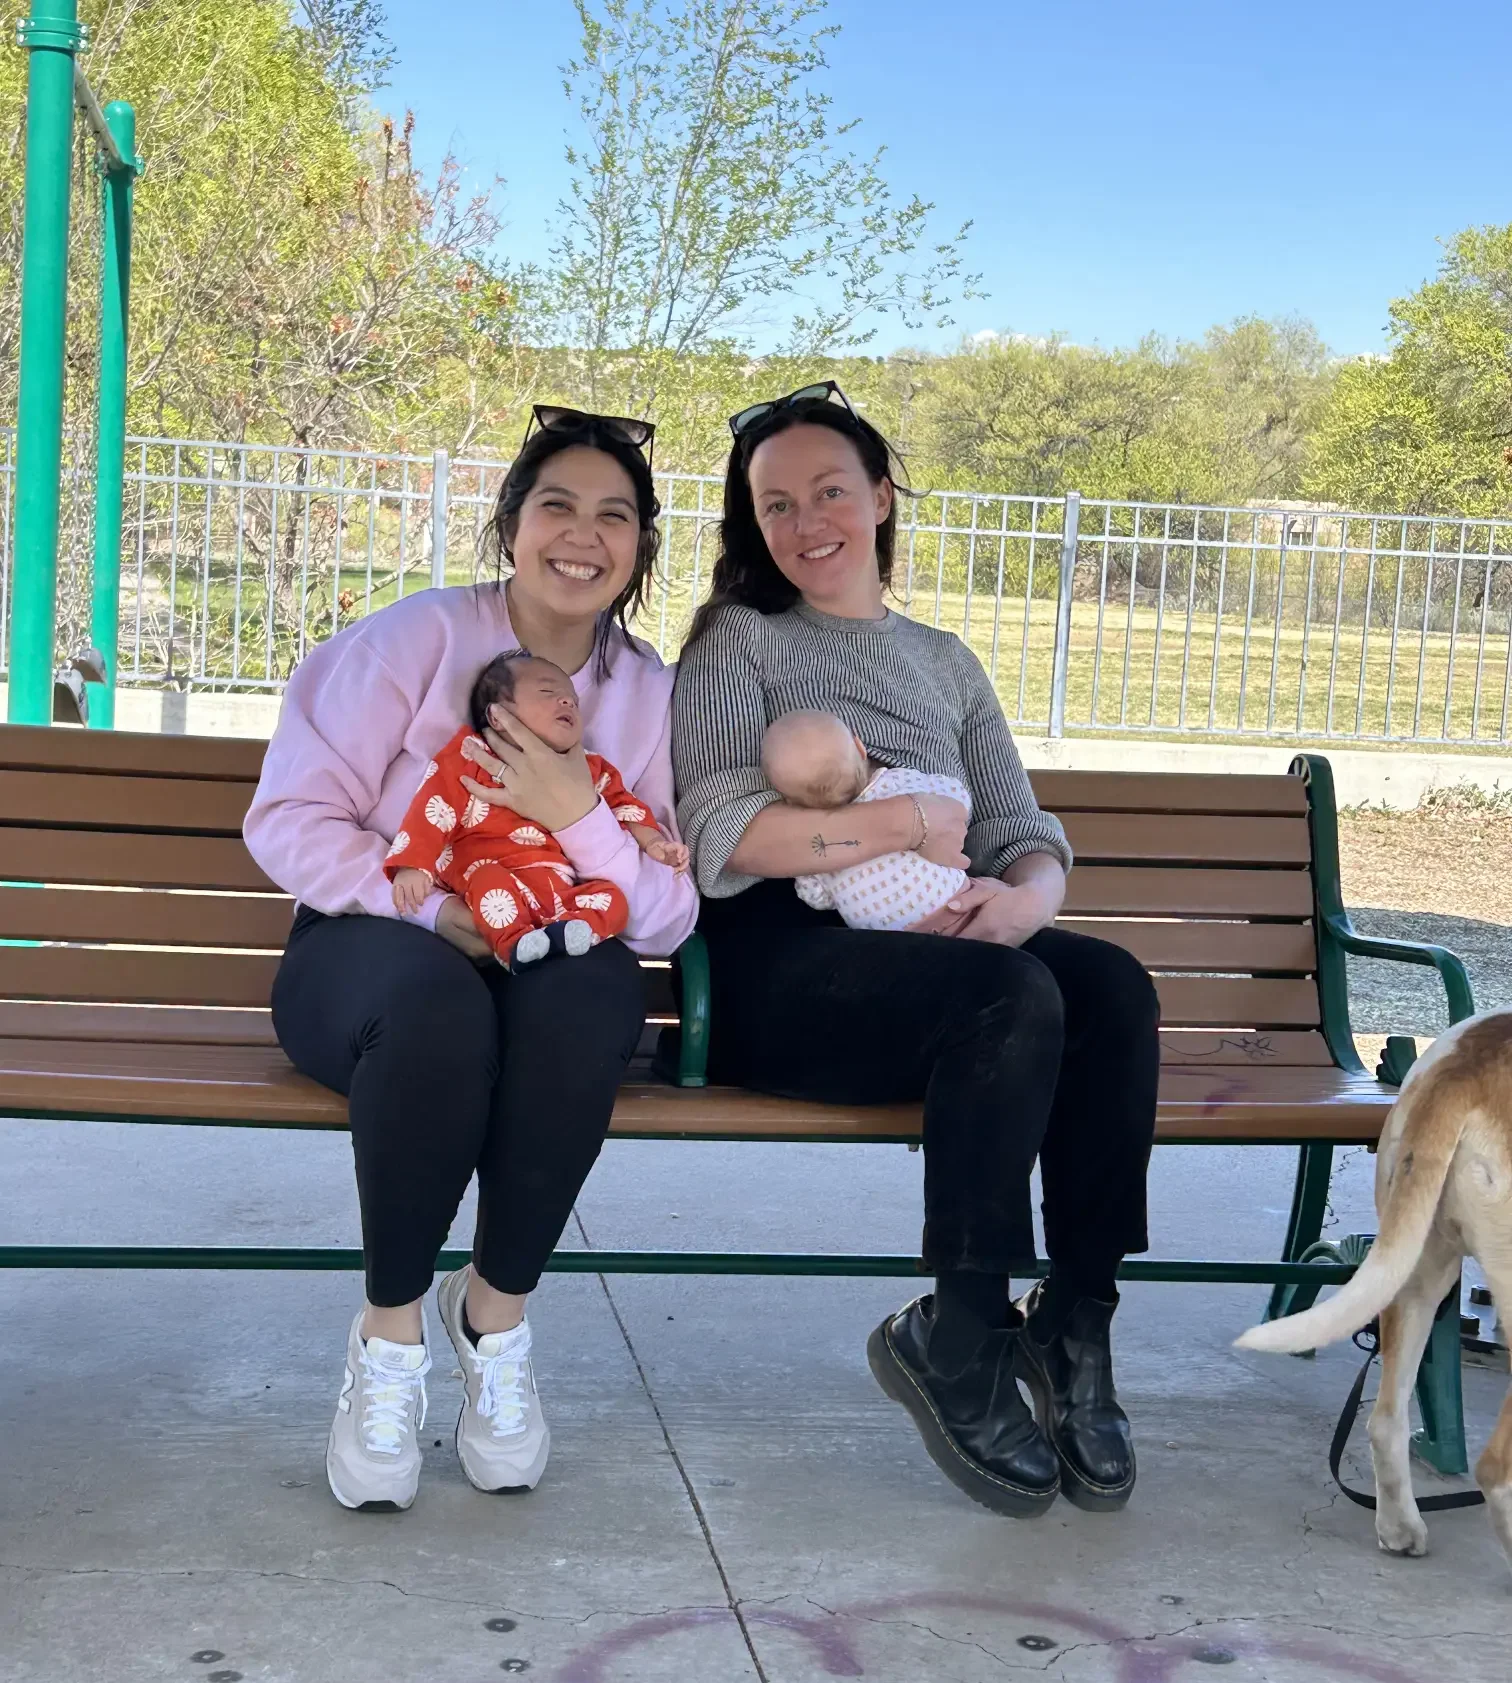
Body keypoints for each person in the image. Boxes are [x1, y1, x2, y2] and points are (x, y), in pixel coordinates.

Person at [672, 381, 1160, 1519]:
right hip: (783, 966)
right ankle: (961, 1324)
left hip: (950, 940)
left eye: (830, 492)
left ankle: (1077, 1326)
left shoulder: (945, 661)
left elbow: (1021, 833)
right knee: (1009, 1000)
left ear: (883, 499)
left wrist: (1024, 903)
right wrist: (897, 827)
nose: (806, 523)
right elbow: (720, 836)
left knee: (1109, 987)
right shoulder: (738, 643)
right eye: (776, 503)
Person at [245, 405, 697, 1512]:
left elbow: (670, 912)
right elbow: (289, 818)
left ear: (640, 547)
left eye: (615, 515)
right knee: (440, 1008)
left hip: (550, 944)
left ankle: (493, 1314)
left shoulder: (649, 696)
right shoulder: (417, 640)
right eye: (557, 505)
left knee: (596, 997)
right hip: (372, 951)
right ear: (510, 524)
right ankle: (391, 1335)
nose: (583, 535)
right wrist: (431, 910)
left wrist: (573, 813)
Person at [387, 650, 689, 969]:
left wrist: (655, 843)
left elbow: (626, 807)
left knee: (614, 900)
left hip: (559, 892)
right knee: (489, 881)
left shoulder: (591, 768)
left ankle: (570, 933)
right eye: (549, 692)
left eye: (572, 698)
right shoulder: (469, 756)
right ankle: (514, 945)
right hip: (493, 880)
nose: (567, 701)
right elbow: (433, 808)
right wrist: (413, 866)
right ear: (497, 716)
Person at [759, 708, 971, 931]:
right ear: (861, 748)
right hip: (956, 904)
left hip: (889, 938)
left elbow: (817, 898)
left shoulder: (816, 847)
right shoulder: (899, 783)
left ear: (788, 800)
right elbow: (958, 800)